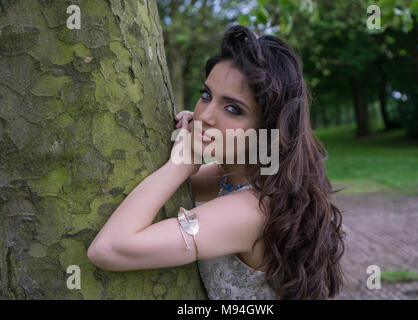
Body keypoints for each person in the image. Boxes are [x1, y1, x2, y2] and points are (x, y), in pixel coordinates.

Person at [87, 25, 345, 300]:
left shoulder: (251, 211)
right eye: (207, 96)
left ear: (267, 129)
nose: (205, 115)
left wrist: (181, 165)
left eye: (233, 109)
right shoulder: (238, 177)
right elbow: (162, 187)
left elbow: (108, 249)